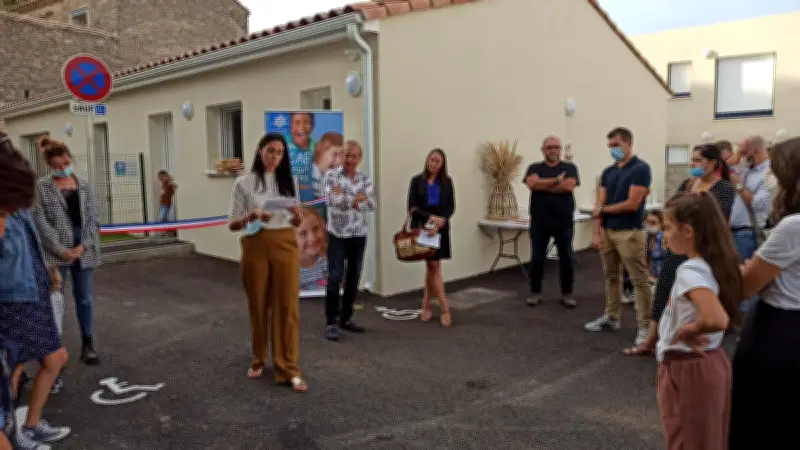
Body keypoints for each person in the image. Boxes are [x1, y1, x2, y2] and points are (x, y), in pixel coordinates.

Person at [625, 143, 736, 356]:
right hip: (678, 246)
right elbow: (672, 209)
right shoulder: (688, 184)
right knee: (664, 290)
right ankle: (652, 338)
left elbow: (715, 221)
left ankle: (692, 336)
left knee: (694, 294)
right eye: (692, 160)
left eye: (697, 160)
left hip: (701, 249)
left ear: (712, 164)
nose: (693, 164)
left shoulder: (722, 189)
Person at [0, 132, 71, 448]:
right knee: (12, 372)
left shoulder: (17, 205)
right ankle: (14, 433)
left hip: (35, 293)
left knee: (54, 359)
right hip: (12, 302)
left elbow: (32, 243)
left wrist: (49, 269)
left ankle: (28, 426)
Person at [729, 137, 800, 449]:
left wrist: (747, 269)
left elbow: (744, 287)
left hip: (778, 331)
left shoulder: (792, 227)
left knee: (760, 420)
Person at [655, 192, 740, 450]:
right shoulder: (713, 264)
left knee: (687, 442)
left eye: (668, 228)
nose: (665, 236)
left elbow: (716, 318)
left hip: (689, 367)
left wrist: (689, 329)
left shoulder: (689, 271)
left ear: (688, 231)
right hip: (708, 363)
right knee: (708, 440)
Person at [227, 133, 308, 393]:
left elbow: (296, 222)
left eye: (281, 153)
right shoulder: (244, 183)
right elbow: (232, 223)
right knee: (259, 304)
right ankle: (259, 358)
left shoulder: (289, 182)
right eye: (271, 151)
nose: (276, 157)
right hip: (255, 245)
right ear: (260, 150)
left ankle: (289, 368)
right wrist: (252, 214)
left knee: (287, 306)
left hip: (285, 244)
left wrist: (298, 216)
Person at [32, 137, 100, 365]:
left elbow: (93, 219)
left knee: (84, 298)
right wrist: (61, 249)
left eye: (66, 162)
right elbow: (39, 221)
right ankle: (54, 351)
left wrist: (83, 245)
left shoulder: (84, 185)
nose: (63, 168)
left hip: (84, 249)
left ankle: (88, 343)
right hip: (55, 252)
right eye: (57, 166)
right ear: (49, 165)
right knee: (55, 301)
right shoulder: (41, 187)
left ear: (70, 158)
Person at [585, 127, 653, 345]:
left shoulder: (641, 169)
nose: (613, 150)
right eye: (610, 146)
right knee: (610, 276)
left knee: (639, 280)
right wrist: (597, 231)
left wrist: (603, 211)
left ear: (628, 144)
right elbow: (599, 205)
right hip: (608, 231)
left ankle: (645, 327)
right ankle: (612, 317)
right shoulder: (608, 172)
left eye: (616, 145)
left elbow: (632, 204)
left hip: (629, 232)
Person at [322, 141, 376, 341]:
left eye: (353, 156)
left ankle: (346, 318)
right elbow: (330, 200)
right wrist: (356, 198)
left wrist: (346, 198)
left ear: (359, 158)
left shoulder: (364, 178)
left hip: (358, 234)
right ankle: (331, 321)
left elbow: (372, 203)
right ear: (341, 156)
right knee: (335, 277)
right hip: (337, 234)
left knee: (353, 278)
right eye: (346, 155)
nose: (349, 160)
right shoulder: (331, 176)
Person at [523, 136, 580, 308]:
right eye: (549, 147)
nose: (553, 150)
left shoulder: (570, 167)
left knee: (566, 258)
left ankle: (567, 294)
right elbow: (532, 185)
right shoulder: (534, 167)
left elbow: (568, 187)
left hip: (563, 222)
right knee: (537, 259)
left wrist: (542, 184)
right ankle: (535, 292)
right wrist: (556, 181)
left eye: (556, 147)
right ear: (543, 149)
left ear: (560, 149)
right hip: (540, 222)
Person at [409, 149, 456, 327]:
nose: (434, 163)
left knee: (433, 266)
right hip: (422, 228)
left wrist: (438, 224)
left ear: (442, 164)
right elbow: (412, 206)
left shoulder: (447, 182)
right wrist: (429, 220)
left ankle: (429, 305)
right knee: (433, 266)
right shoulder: (416, 181)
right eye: (431, 159)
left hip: (440, 229)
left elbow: (450, 207)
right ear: (427, 160)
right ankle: (443, 307)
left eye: (437, 161)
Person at [729, 135, 772, 313]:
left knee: (747, 279)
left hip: (748, 232)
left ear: (754, 152)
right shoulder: (746, 169)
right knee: (734, 278)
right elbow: (724, 170)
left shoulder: (768, 173)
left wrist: (738, 185)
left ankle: (747, 324)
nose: (742, 158)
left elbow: (760, 204)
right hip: (733, 231)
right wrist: (738, 154)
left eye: (745, 153)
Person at [297, 206, 328, 292]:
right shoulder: (289, 270)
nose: (312, 238)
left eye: (316, 229)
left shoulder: (328, 260)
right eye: (303, 233)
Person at [287, 112, 316, 203]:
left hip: (314, 207)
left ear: (312, 127)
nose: (302, 127)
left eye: (306, 123)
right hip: (288, 206)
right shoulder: (282, 148)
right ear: (291, 126)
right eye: (297, 122)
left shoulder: (319, 150)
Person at [47, 267, 65, 394]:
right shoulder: (57, 296)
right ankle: (53, 381)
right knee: (52, 360)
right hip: (54, 333)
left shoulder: (51, 297)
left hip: (49, 332)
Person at [645, 210, 665, 284]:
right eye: (647, 222)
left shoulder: (664, 238)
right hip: (651, 279)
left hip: (663, 280)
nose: (649, 225)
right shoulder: (647, 238)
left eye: (653, 223)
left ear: (661, 224)